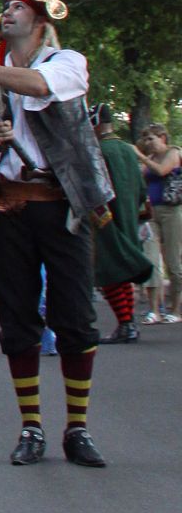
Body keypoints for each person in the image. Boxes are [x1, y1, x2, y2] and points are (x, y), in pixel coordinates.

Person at [0, 0, 110, 468]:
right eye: (6, 7)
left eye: (18, 6)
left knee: (76, 320)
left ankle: (77, 428)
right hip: (11, 210)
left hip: (63, 209)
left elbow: (39, 88)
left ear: (39, 21)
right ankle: (31, 427)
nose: (7, 12)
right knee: (18, 324)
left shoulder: (67, 63)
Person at [90, 106, 152, 343]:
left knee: (110, 272)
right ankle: (128, 323)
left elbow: (94, 188)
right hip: (128, 216)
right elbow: (141, 190)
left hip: (106, 218)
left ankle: (126, 323)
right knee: (122, 271)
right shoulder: (128, 149)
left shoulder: (99, 151)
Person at [135, 126, 182, 322]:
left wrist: (141, 156)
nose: (148, 143)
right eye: (145, 139)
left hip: (172, 211)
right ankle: (154, 310)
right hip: (152, 213)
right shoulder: (151, 158)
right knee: (151, 259)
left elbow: (163, 171)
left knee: (172, 260)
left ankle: (176, 310)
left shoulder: (174, 152)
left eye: (151, 139)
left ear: (163, 137)